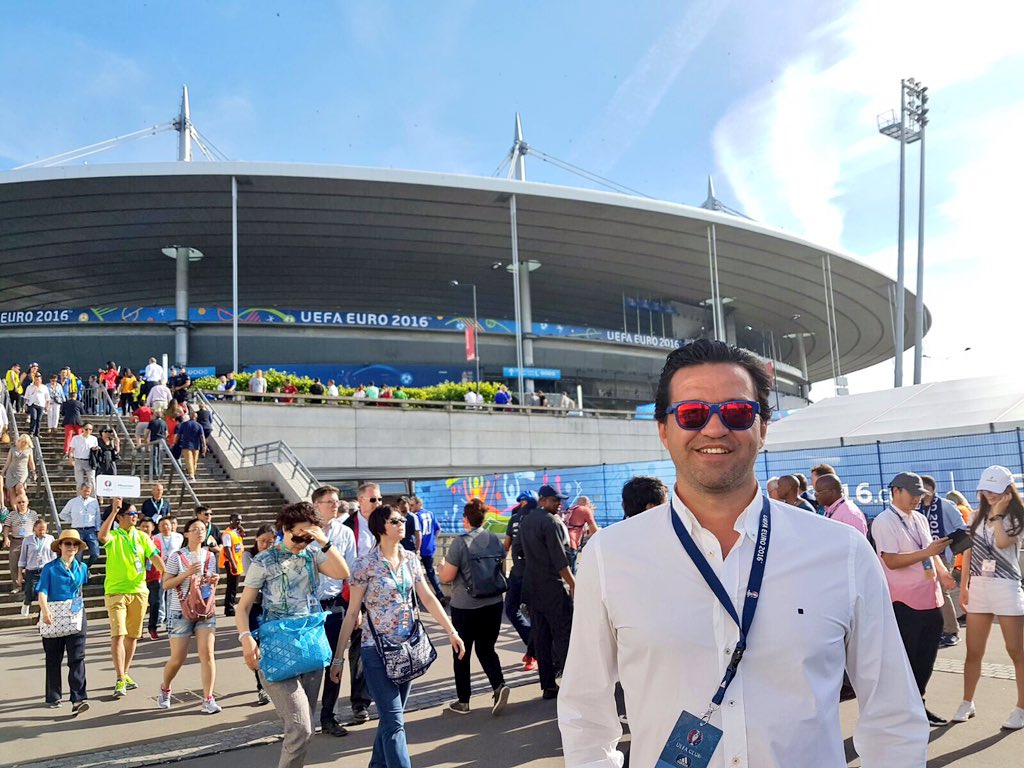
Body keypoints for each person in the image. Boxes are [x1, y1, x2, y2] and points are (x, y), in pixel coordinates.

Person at [558, 339, 929, 768]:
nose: (715, 429)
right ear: (663, 430)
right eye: (692, 413)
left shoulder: (843, 552)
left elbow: (893, 715)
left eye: (736, 412)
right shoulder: (610, 556)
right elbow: (585, 711)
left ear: (763, 427)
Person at [330, 504, 464, 768]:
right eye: (395, 521)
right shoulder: (364, 564)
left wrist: (451, 631)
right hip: (376, 650)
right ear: (381, 527)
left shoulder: (410, 558)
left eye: (402, 519)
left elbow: (427, 597)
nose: (402, 523)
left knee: (393, 719)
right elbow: (352, 612)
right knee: (394, 723)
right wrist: (338, 658)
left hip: (407, 648)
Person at [236, 502, 351, 768]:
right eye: (299, 535)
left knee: (304, 728)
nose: (303, 542)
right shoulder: (264, 560)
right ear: (286, 530)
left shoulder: (312, 554)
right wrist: (246, 638)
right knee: (301, 728)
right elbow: (242, 608)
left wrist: (323, 542)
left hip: (310, 646)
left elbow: (343, 573)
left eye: (309, 536)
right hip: (276, 648)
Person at [872, 471, 957, 726]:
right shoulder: (884, 521)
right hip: (903, 600)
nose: (917, 498)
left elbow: (931, 552)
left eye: (921, 494)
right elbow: (891, 560)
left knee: (926, 656)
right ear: (896, 491)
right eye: (913, 493)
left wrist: (943, 573)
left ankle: (917, 703)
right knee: (906, 658)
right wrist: (926, 552)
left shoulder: (919, 518)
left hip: (930, 596)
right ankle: (901, 710)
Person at [951, 466, 1024, 729]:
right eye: (985, 490)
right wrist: (965, 586)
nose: (989, 495)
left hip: (1006, 586)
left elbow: (1003, 542)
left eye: (994, 490)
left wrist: (998, 514)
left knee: (1016, 651)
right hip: (979, 587)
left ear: (1007, 490)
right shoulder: (975, 516)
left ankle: (1021, 708)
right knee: (973, 650)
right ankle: (967, 702)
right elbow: (968, 551)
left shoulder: (1017, 516)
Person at [439, 498, 511, 715]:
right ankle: (499, 685)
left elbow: (447, 577)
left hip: (466, 605)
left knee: (461, 651)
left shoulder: (460, 543)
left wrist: (441, 568)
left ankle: (463, 701)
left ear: (465, 519)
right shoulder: (494, 539)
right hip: (494, 602)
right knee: (486, 648)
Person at [99, 497, 165, 697]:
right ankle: (120, 679)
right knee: (118, 634)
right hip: (116, 591)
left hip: (139, 591)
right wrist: (113, 510)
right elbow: (102, 536)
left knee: (132, 636)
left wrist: (168, 575)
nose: (135, 517)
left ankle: (125, 673)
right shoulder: (114, 535)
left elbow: (154, 557)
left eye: (137, 514)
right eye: (131, 514)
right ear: (120, 517)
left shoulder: (142, 536)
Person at [158, 515, 222, 713]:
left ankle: (208, 698)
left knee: (207, 654)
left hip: (205, 610)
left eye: (202, 529)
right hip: (181, 611)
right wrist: (186, 573)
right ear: (186, 534)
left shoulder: (210, 556)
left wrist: (214, 580)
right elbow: (166, 584)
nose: (199, 532)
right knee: (178, 658)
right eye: (195, 529)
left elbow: (209, 584)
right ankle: (165, 688)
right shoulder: (177, 556)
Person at [519, 483, 575, 699]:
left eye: (560, 500)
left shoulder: (526, 520)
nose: (559, 503)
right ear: (542, 500)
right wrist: (574, 584)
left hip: (532, 586)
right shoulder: (551, 521)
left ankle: (548, 685)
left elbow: (518, 551)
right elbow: (560, 559)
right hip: (552, 587)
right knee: (563, 634)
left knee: (541, 636)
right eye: (554, 500)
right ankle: (572, 684)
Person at [310, 485, 358, 738]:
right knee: (309, 663)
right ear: (316, 505)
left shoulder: (345, 532)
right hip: (308, 606)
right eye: (329, 501)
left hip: (336, 603)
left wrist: (355, 608)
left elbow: (352, 572)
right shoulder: (304, 531)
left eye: (336, 501)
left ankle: (329, 716)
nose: (335, 505)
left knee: (335, 660)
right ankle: (303, 719)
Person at [341, 483, 383, 723]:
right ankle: (360, 702)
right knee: (358, 650)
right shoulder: (347, 527)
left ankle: (380, 693)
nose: (378, 504)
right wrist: (353, 605)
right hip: (355, 595)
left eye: (379, 499)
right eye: (373, 499)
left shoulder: (385, 522)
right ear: (360, 501)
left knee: (383, 645)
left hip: (382, 596)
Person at [36, 528, 91, 713]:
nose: (71, 547)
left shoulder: (82, 568)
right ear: (60, 546)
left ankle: (78, 699)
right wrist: (45, 611)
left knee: (77, 658)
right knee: (53, 658)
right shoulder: (50, 568)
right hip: (53, 614)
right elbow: (42, 591)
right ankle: (54, 695)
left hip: (76, 615)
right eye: (67, 543)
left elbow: (80, 588)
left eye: (75, 544)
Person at [918, 474, 970, 648]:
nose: (920, 492)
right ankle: (940, 628)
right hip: (926, 554)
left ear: (931, 489)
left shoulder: (945, 505)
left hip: (943, 554)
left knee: (942, 590)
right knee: (930, 590)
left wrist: (947, 542)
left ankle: (951, 630)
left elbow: (962, 528)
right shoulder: (918, 508)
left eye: (923, 488)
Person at [244, 524, 277, 706]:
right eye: (262, 541)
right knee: (258, 646)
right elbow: (254, 578)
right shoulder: (249, 555)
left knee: (272, 645)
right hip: (256, 606)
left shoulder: (279, 555)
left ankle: (272, 680)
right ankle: (261, 687)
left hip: (274, 607)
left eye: (270, 542)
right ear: (256, 540)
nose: (265, 545)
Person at [505, 490, 538, 671]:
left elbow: (506, 546)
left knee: (512, 609)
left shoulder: (515, 519)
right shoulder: (539, 519)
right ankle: (533, 650)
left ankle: (533, 651)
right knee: (533, 614)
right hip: (533, 573)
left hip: (519, 573)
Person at [60, 482, 102, 570]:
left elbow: (97, 516)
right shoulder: (73, 502)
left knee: (95, 553)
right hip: (78, 530)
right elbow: (62, 514)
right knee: (78, 555)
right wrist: (73, 520)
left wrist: (98, 529)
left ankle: (85, 567)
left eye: (88, 491)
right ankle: (80, 571)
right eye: (85, 491)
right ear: (80, 491)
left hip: (91, 530)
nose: (86, 493)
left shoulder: (94, 502)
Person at [18, 517, 55, 616]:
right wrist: (20, 573)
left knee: (44, 592)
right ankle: (27, 602)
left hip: (45, 569)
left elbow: (53, 555)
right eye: (39, 530)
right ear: (34, 528)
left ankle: (42, 613)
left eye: (44, 529)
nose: (42, 532)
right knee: (30, 590)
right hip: (32, 569)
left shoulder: (50, 538)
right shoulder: (27, 540)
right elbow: (22, 557)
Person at [4, 492, 39, 592]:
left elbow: (37, 527)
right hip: (16, 541)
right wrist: (6, 538)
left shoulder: (33, 514)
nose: (21, 504)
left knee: (30, 564)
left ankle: (30, 585)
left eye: (23, 502)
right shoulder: (12, 514)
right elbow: (7, 527)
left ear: (27, 502)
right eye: (19, 502)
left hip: (29, 541)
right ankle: (17, 586)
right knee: (14, 564)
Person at [413, 496, 444, 602]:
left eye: (412, 505)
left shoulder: (416, 516)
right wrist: (432, 539)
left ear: (419, 504)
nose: (411, 507)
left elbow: (417, 534)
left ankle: (416, 600)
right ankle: (440, 595)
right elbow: (438, 529)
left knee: (415, 575)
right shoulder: (431, 513)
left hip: (419, 549)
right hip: (429, 548)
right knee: (431, 573)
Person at [562, 496, 599, 573]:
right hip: (572, 543)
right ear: (586, 502)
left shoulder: (571, 509)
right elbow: (595, 531)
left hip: (563, 541)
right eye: (589, 503)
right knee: (573, 572)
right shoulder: (585, 510)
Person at [219, 513, 246, 616]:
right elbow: (227, 549)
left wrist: (242, 532)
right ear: (231, 521)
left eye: (240, 520)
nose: (239, 522)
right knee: (232, 586)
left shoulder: (236, 532)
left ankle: (231, 605)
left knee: (235, 586)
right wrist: (233, 563)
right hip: (232, 562)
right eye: (237, 520)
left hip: (238, 560)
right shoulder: (228, 534)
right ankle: (229, 608)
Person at [3, 433, 37, 504]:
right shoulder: (13, 449)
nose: (24, 443)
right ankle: (15, 509)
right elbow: (8, 462)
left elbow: (31, 462)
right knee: (11, 491)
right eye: (23, 441)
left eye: (25, 442)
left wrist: (34, 472)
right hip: (11, 471)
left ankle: (24, 506)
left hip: (22, 472)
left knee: (20, 488)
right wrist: (3, 472)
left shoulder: (29, 450)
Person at [175, 411, 206, 481]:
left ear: (190, 416)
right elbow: (202, 436)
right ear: (196, 417)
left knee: (189, 460)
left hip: (186, 445)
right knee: (194, 461)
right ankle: (192, 475)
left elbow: (178, 435)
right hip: (196, 446)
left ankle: (191, 475)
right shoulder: (199, 425)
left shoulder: (184, 424)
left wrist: (175, 442)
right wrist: (204, 445)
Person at [67, 424, 97, 491]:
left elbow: (95, 451)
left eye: (90, 429)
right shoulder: (76, 438)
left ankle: (93, 496)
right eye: (86, 429)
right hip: (78, 460)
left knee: (92, 480)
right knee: (79, 482)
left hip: (89, 461)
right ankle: (79, 496)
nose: (88, 431)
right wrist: (71, 458)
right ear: (83, 429)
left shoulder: (94, 438)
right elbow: (72, 450)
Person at [24, 372, 50, 437]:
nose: (37, 381)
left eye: (38, 380)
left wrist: (47, 406)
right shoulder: (30, 387)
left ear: (41, 380)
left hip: (41, 405)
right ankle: (31, 431)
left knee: (39, 419)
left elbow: (47, 398)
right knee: (34, 417)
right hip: (32, 404)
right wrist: (26, 405)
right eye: (36, 380)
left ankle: (37, 433)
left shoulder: (44, 387)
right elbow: (26, 397)